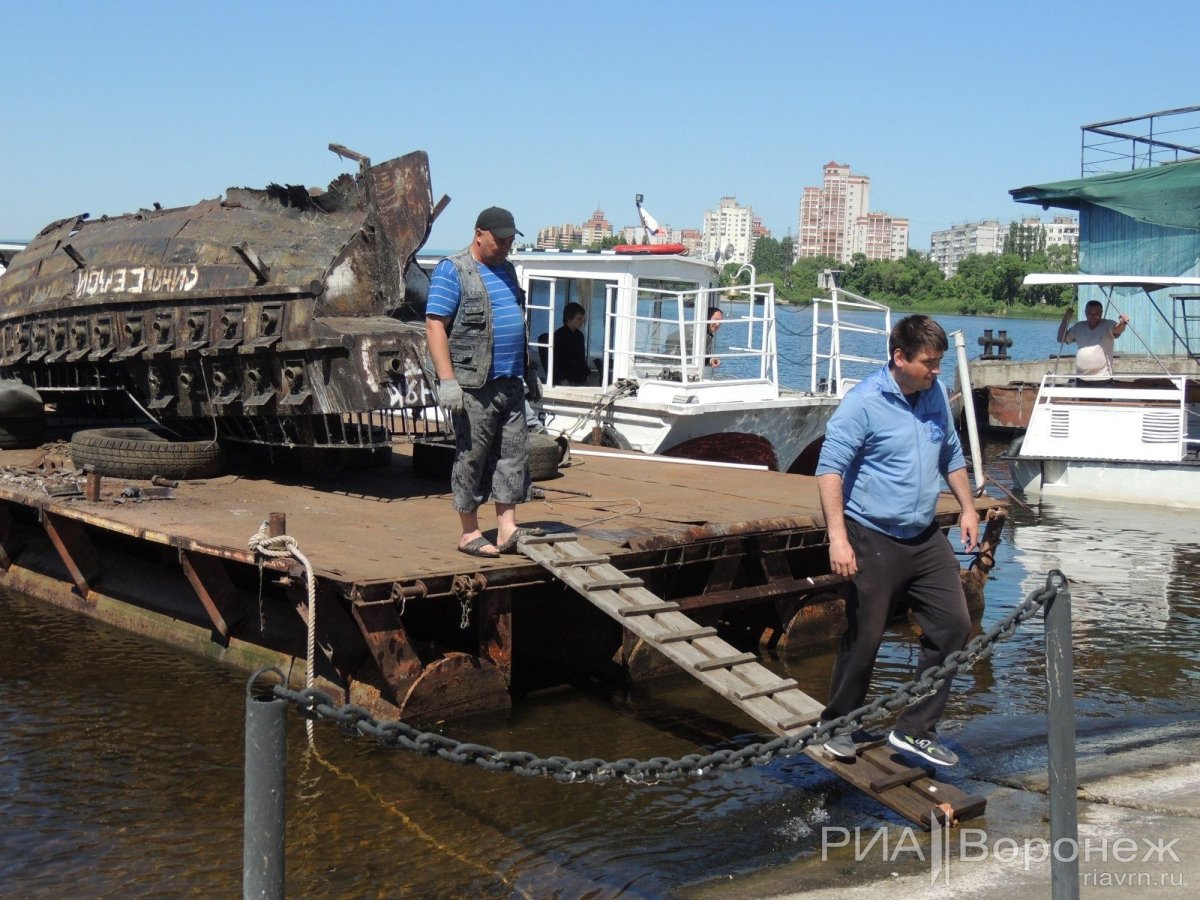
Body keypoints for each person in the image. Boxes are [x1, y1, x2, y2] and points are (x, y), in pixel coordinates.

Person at [815, 314, 979, 767]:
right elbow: (829, 470)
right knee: (865, 637)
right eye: (929, 362)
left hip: (924, 537)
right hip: (871, 533)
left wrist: (967, 508)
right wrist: (838, 538)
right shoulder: (863, 403)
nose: (936, 370)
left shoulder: (936, 397)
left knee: (953, 627)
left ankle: (914, 730)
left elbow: (950, 452)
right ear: (899, 357)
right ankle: (838, 723)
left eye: (940, 362)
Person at [425, 206, 544, 558]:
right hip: (473, 386)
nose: (507, 245)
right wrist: (447, 381)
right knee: (471, 457)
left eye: (510, 239)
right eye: (501, 239)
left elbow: (517, 324)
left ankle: (507, 528)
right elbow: (435, 326)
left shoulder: (507, 270)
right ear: (479, 234)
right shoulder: (454, 270)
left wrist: (530, 370)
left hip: (510, 382)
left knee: (513, 456)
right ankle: (469, 532)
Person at [1057, 300, 1129, 385]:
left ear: (1101, 313)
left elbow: (1117, 330)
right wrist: (1065, 319)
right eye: (1089, 313)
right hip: (1081, 378)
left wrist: (1123, 323)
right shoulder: (1078, 326)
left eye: (1096, 313)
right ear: (1085, 313)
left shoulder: (1108, 324)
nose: (1093, 316)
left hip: (1102, 378)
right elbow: (1061, 338)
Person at [552, 301, 591, 386]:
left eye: (582, 319)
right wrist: (563, 379)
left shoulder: (580, 335)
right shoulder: (559, 335)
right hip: (567, 380)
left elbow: (581, 359)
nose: (582, 322)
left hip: (580, 378)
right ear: (569, 318)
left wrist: (586, 375)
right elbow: (557, 360)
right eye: (579, 319)